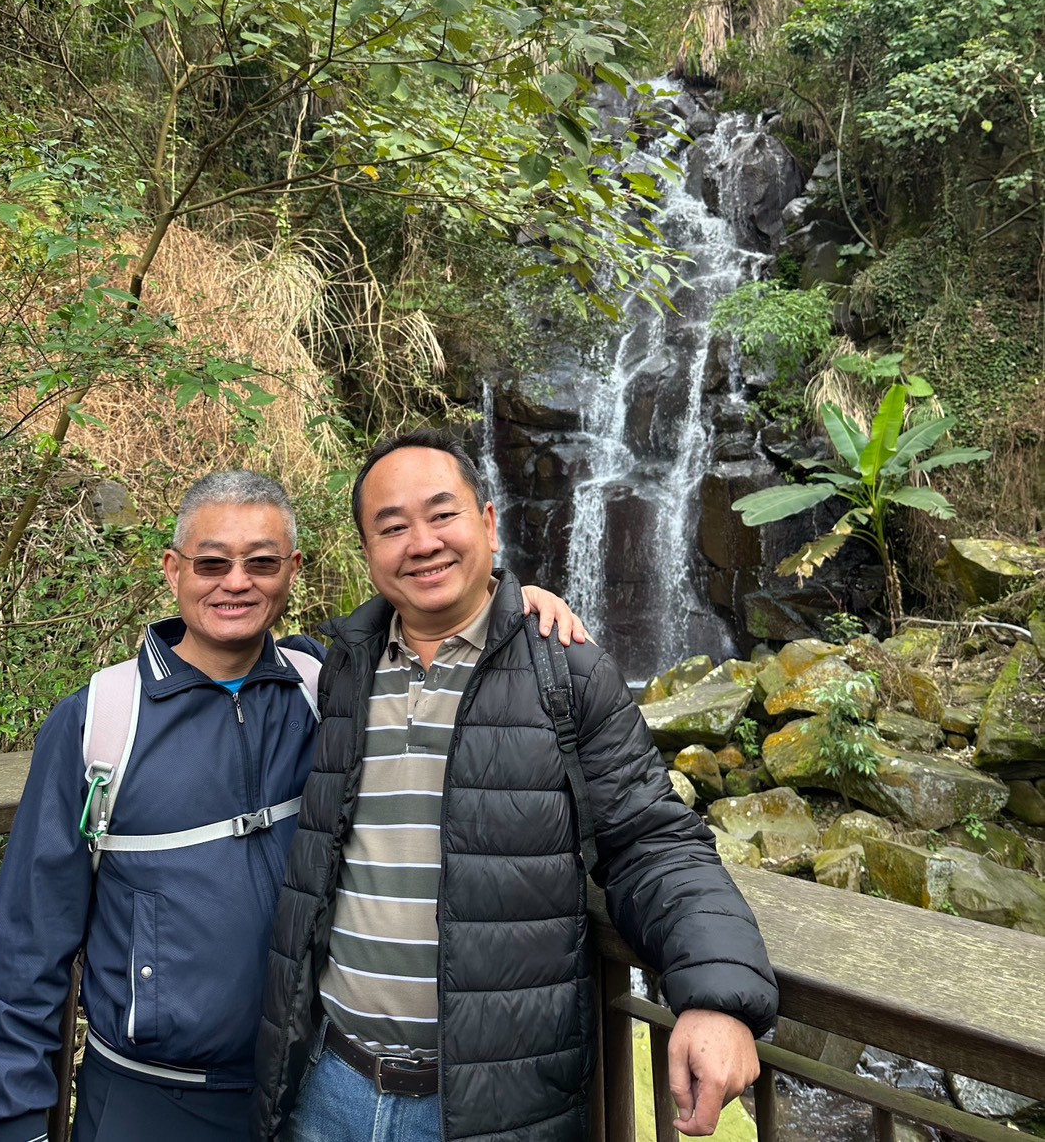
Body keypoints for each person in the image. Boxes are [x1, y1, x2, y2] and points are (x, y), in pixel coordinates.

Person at [0, 469, 582, 1142]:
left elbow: (432, 629)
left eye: (261, 563)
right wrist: (17, 1121)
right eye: (212, 563)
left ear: (292, 570)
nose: (236, 582)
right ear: (173, 569)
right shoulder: (100, 721)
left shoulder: (327, 689)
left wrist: (512, 610)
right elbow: (29, 940)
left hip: (306, 1088)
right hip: (146, 1097)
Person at [253, 429, 779, 1142]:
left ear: (489, 522)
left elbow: (651, 842)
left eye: (443, 514)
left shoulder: (566, 667)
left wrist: (718, 998)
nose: (422, 542)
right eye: (392, 527)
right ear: (368, 552)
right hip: (327, 1086)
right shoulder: (338, 669)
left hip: (487, 1108)